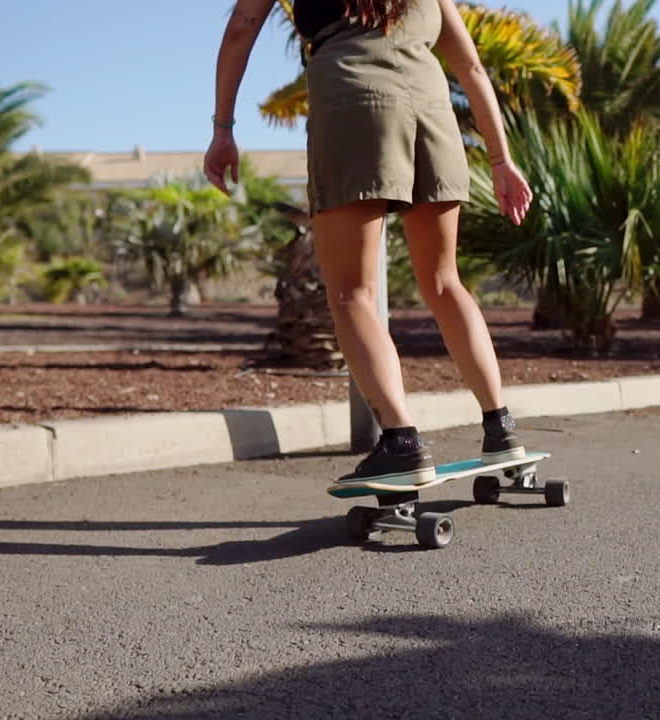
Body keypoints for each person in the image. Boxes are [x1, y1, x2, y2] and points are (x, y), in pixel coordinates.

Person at [205, 0, 533, 487]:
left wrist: (223, 129)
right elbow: (471, 66)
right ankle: (500, 425)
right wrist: (502, 161)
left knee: (352, 293)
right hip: (432, 109)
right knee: (445, 282)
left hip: (355, 102)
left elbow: (242, 28)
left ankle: (401, 442)